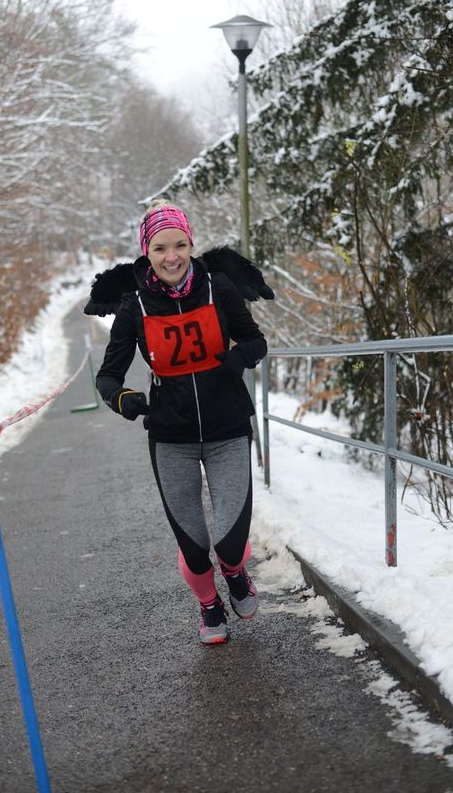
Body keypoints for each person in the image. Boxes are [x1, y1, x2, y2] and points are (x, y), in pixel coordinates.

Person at [85, 201, 274, 645]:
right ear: (146, 252)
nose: (172, 257)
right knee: (193, 545)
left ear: (191, 244)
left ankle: (235, 572)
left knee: (230, 542)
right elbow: (107, 378)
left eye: (180, 245)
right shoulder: (134, 306)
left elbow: (256, 341)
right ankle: (209, 605)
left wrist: (238, 359)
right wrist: (124, 399)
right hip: (171, 437)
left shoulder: (217, 288)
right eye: (160, 248)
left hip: (228, 428)